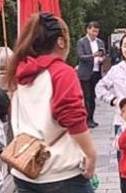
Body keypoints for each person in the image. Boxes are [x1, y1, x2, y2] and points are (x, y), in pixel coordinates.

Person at [7, 12, 97, 192]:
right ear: (61, 41)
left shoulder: (20, 73)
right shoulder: (61, 72)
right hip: (60, 173)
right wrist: (91, 155)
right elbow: (73, 119)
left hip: (24, 169)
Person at [77, 21, 106, 128]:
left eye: (97, 32)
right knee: (86, 97)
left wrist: (102, 59)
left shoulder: (100, 42)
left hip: (96, 72)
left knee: (93, 97)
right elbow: (81, 56)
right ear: (88, 30)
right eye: (93, 31)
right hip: (85, 73)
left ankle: (91, 118)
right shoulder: (82, 42)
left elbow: (104, 55)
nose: (95, 34)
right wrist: (93, 56)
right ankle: (86, 119)